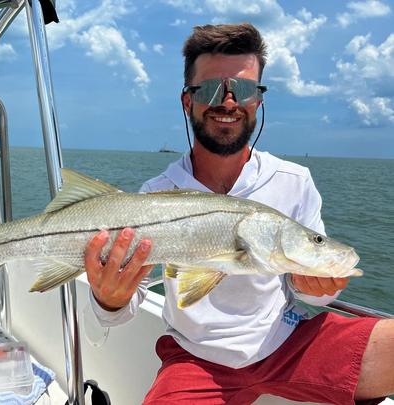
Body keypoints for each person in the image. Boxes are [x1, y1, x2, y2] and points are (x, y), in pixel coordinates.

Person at [83, 23, 394, 404]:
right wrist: (109, 299)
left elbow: (307, 283)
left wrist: (320, 289)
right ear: (187, 100)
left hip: (289, 343)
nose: (228, 101)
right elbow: (116, 314)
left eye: (244, 89)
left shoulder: (295, 181)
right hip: (196, 360)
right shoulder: (155, 195)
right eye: (212, 88)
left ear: (258, 101)